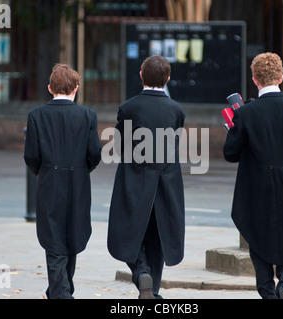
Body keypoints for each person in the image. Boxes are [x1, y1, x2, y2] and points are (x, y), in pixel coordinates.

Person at [223, 53, 283, 299]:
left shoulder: (245, 113)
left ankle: (267, 289)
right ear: (280, 77)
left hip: (256, 186)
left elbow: (230, 153)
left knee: (258, 236)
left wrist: (233, 129)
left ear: (255, 79)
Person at [107, 55, 186, 299]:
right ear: (168, 78)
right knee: (159, 237)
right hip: (166, 184)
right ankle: (152, 289)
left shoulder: (129, 108)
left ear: (141, 75)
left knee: (126, 232)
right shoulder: (176, 110)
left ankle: (142, 274)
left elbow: (120, 146)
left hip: (135, 181)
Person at [24, 64, 102, 299]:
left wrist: (44, 171)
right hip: (78, 182)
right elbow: (95, 153)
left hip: (50, 182)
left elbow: (31, 156)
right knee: (72, 236)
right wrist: (81, 170)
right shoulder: (87, 115)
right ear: (76, 88)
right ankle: (62, 291)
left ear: (50, 88)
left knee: (54, 239)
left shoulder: (36, 116)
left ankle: (60, 292)